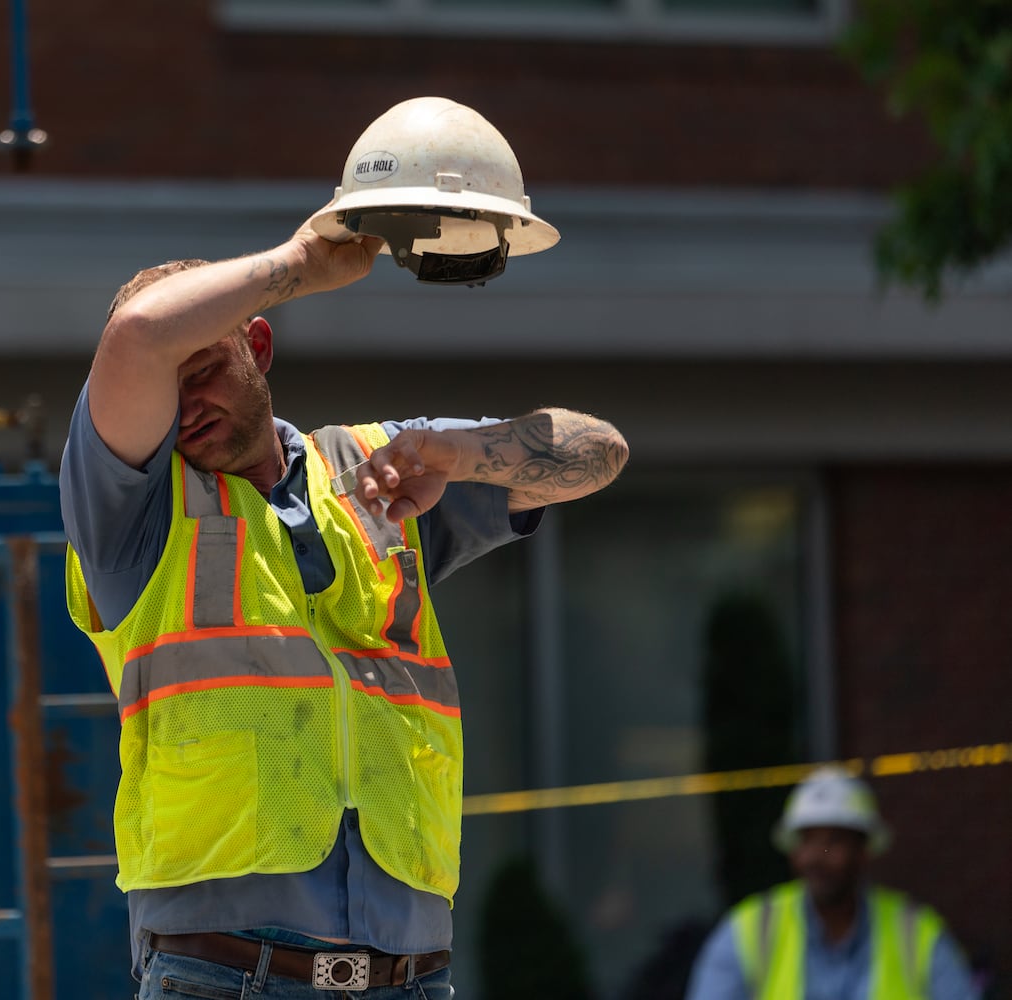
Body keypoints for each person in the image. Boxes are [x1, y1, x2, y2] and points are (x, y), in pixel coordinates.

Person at [58, 195, 628, 997]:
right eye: (167, 390)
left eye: (207, 372)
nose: (187, 409)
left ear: (256, 347)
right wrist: (300, 265)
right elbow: (139, 335)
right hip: (221, 972)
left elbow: (598, 452)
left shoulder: (376, 468)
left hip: (410, 974)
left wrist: (458, 453)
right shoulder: (129, 512)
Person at [685, 766, 980, 1000]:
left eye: (833, 842)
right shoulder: (750, 931)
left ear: (863, 851)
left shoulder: (915, 933)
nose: (816, 857)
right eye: (807, 841)